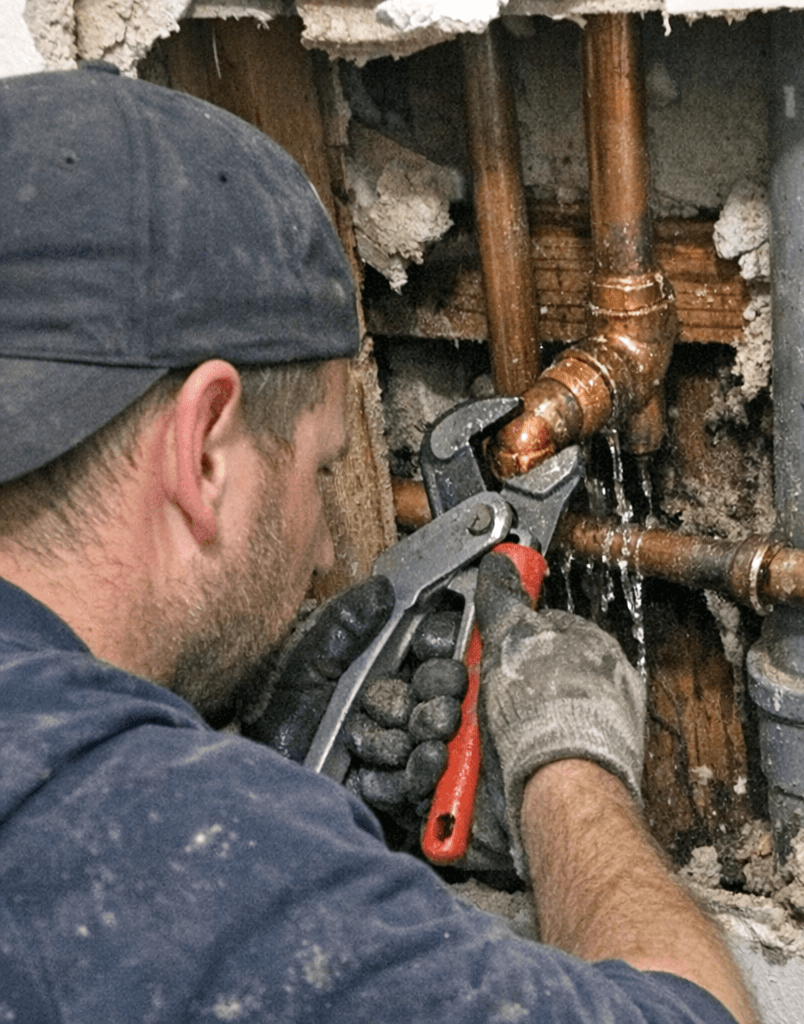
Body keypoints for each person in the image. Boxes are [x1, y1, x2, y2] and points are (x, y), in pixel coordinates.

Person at [0, 64, 757, 1024]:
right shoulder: (147, 839)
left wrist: (237, 739)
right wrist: (566, 765)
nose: (325, 558)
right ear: (202, 449)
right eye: (323, 471)